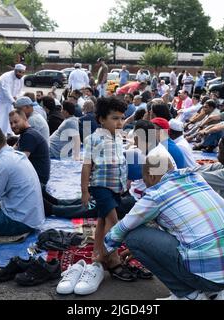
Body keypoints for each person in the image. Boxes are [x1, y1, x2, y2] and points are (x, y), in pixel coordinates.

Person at [100, 151, 224, 300]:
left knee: (134, 237)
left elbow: (122, 228)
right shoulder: (196, 179)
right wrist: (152, 246)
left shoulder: (157, 194)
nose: (145, 184)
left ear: (151, 176)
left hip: (211, 273)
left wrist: (102, 253)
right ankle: (214, 293)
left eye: (144, 179)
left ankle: (189, 295)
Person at [81, 96, 135, 281]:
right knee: (114, 222)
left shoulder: (120, 137)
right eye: (114, 118)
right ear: (101, 119)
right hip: (100, 186)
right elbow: (87, 165)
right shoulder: (94, 139)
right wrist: (84, 191)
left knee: (103, 221)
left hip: (115, 187)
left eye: (122, 118)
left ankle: (98, 253)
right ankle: (111, 258)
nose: (119, 122)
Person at [9, 109, 50, 186]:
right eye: (11, 123)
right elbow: (12, 150)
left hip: (37, 181)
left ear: (25, 119)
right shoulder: (25, 133)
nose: (13, 126)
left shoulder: (29, 135)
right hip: (34, 178)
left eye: (16, 122)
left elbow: (19, 162)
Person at [0, 64, 26, 135]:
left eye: (23, 72)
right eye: (19, 72)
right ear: (15, 70)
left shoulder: (21, 79)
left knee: (8, 121)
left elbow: (20, 91)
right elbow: (6, 91)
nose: (21, 74)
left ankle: (6, 136)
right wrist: (14, 102)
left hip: (9, 102)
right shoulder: (6, 77)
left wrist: (16, 97)